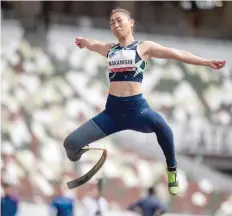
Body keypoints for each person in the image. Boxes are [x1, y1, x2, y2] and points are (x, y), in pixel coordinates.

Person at [63, 7, 226, 196]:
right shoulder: (110, 49)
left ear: (131, 23)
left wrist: (206, 62)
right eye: (112, 23)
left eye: (119, 20)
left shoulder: (144, 48)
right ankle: (82, 153)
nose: (115, 25)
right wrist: (85, 42)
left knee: (163, 127)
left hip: (137, 111)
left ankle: (172, 170)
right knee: (70, 144)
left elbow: (177, 53)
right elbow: (94, 44)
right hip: (112, 114)